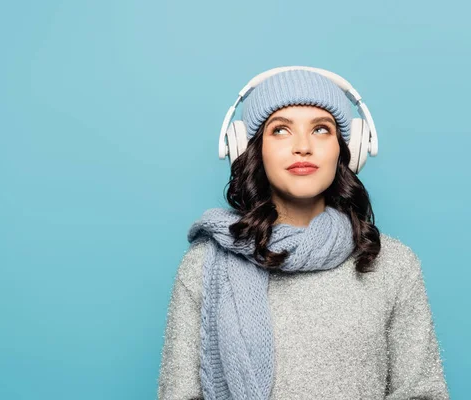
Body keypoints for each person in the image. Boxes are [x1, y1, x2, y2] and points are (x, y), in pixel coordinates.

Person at [157, 68, 449, 399]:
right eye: (280, 130)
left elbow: (423, 393)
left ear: (347, 147)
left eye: (321, 129)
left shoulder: (393, 265)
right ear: (249, 148)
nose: (302, 147)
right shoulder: (204, 266)